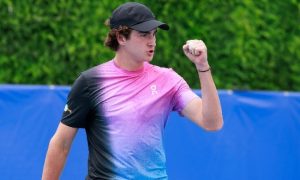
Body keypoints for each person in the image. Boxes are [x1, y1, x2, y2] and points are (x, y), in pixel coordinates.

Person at [42, 2, 223, 180]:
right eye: (144, 34)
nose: (152, 41)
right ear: (121, 37)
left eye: (154, 34)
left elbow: (211, 122)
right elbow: (61, 144)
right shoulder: (91, 82)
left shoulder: (168, 80)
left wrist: (202, 66)